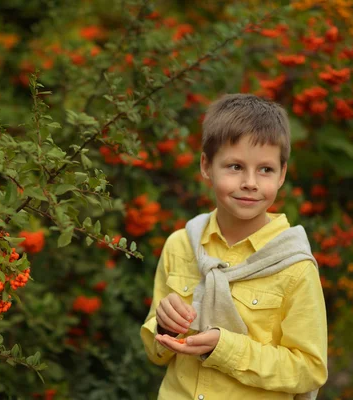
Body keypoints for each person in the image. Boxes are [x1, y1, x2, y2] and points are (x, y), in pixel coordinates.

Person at [140, 93, 328, 400]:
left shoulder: (294, 265)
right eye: (235, 166)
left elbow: (309, 369)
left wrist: (225, 349)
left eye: (265, 169)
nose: (250, 182)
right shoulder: (181, 246)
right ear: (206, 166)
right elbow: (155, 352)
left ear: (282, 175)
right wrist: (164, 327)